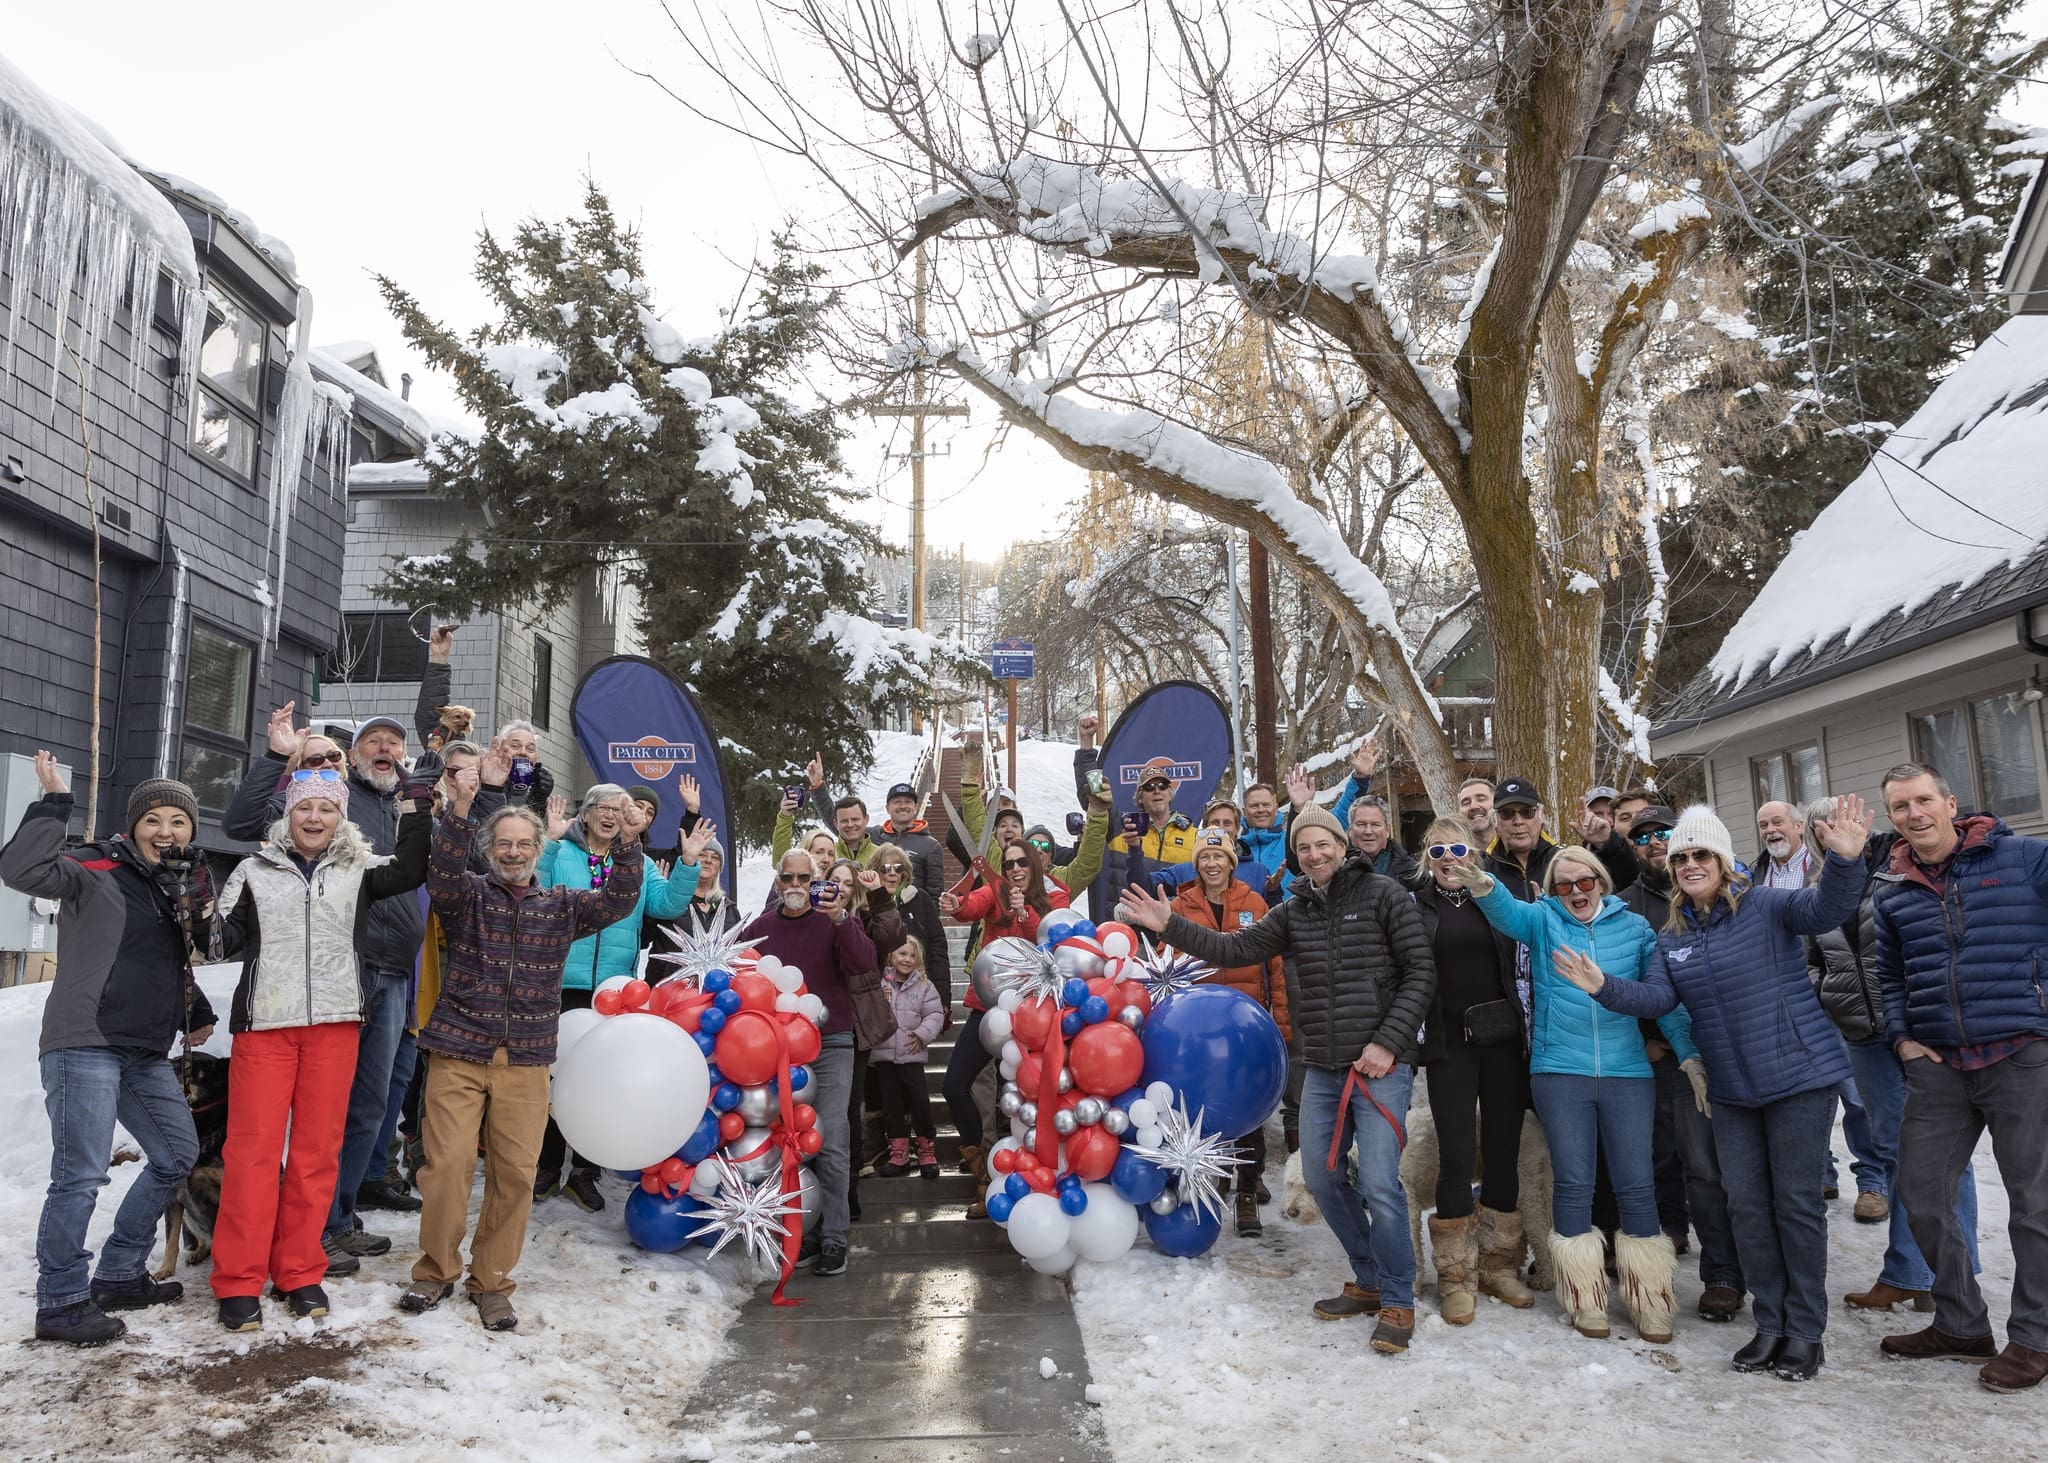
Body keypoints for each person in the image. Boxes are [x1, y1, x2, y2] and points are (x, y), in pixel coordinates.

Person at [1559, 799, 1873, 1382]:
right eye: (1681, 858)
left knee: (1796, 1206)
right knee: (1747, 1206)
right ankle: (1771, 1324)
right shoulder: (1673, 935)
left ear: (1724, 860)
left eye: (1702, 854)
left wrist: (1846, 861)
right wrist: (1603, 985)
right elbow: (1657, 1000)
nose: (1690, 864)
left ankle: (1805, 1331)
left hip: (1798, 1078)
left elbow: (1828, 904)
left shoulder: (1768, 907)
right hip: (1729, 1090)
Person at [1122, 803, 1435, 1356]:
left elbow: (1421, 972)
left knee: (1383, 1184)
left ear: (1342, 845)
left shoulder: (1385, 895)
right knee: (1321, 1176)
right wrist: (1168, 924)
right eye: (1305, 847)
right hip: (1325, 1065)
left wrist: (1388, 1043)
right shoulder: (1295, 911)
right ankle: (1366, 1277)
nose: (1315, 854)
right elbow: (1237, 948)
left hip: (1381, 1064)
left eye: (1324, 844)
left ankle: (1397, 1296)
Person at [400, 770, 642, 1332]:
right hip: (459, 1050)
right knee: (449, 1167)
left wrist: (629, 843)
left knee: (514, 1174)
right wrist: (460, 809)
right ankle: (435, 1271)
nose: (514, 852)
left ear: (540, 851)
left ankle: (492, 1282)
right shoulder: (467, 899)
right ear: (489, 851)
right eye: (503, 843)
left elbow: (620, 901)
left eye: (524, 844)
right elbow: (440, 875)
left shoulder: (562, 904)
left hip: (528, 1058)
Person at [1442, 844, 1697, 1345]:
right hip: (1560, 1071)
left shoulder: (1637, 930)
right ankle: (1585, 1297)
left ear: (1601, 881)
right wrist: (1485, 886)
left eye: (1585, 882)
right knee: (1575, 1183)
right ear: (1553, 890)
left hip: (1627, 1073)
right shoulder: (1543, 921)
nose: (1576, 892)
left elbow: (1664, 1002)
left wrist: (1687, 1054)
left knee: (1636, 1183)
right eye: (1564, 885)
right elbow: (1507, 912)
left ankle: (1650, 1299)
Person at [206, 766, 431, 1331]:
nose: (314, 818)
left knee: (316, 1153)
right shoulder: (253, 871)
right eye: (304, 808)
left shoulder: (359, 870)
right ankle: (238, 1280)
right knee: (252, 1155)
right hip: (265, 1025)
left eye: (326, 809)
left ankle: (300, 1270)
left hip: (334, 1025)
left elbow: (412, 868)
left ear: (340, 818)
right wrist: (193, 895)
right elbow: (217, 944)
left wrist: (419, 804)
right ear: (289, 814)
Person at [2, 759, 214, 1345]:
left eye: (178, 820)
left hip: (144, 1051)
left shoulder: (177, 884)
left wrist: (192, 1010)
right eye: (153, 818)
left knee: (175, 1154)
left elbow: (162, 961)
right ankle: (61, 1301)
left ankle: (120, 1272)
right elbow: (21, 869)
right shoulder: (93, 867)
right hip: (84, 1043)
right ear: (134, 825)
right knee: (80, 1176)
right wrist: (53, 804)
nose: (165, 830)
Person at [1869, 763, 2048, 1394]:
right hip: (1939, 1065)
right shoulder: (1891, 887)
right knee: (1919, 1193)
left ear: (1950, 802)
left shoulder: (2025, 858)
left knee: (2034, 1204)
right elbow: (1888, 975)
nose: (1914, 815)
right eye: (1899, 807)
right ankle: (1962, 1322)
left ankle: (2035, 1336)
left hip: (2022, 1055)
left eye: (1923, 801)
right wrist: (1902, 1036)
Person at [1801, 799, 1983, 1316]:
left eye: (1837, 823)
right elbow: (1814, 960)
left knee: (1942, 1152)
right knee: (1894, 1149)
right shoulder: (1823, 895)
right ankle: (1913, 1271)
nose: (1829, 833)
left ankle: (1948, 1274)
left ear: (1863, 826)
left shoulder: (1899, 875)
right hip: (1862, 1037)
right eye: (1821, 828)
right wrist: (1831, 993)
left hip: (1920, 1032)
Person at [534, 786, 712, 1209]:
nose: (611, 815)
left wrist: (687, 865)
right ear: (588, 812)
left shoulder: (641, 863)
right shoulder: (561, 853)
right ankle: (545, 1165)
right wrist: (550, 842)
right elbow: (533, 890)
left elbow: (667, 906)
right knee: (552, 1078)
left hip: (613, 991)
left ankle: (584, 1172)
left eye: (620, 809)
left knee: (596, 1079)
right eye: (603, 808)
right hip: (559, 981)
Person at [1618, 804, 1747, 1323]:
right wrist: (1652, 1038)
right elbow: (1633, 981)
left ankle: (1742, 1270)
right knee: (1676, 1163)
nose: (1654, 841)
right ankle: (1696, 1257)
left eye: (1664, 834)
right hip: (1662, 1056)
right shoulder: (1624, 906)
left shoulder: (1728, 903)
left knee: (1726, 1171)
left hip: (1727, 1053)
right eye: (1643, 835)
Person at [1410, 817, 1533, 1325]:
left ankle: (1499, 1266)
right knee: (1457, 1156)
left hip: (1502, 1041)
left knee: (1504, 1151)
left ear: (1475, 853)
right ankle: (1457, 1275)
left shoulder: (1499, 897)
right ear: (1426, 857)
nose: (1447, 859)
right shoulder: (1416, 904)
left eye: (1457, 848)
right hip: (1448, 1046)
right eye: (1437, 851)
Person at [739, 850, 878, 1279]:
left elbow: (866, 963)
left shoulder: (833, 921)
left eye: (805, 877)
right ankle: (802, 1232)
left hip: (831, 1041)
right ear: (778, 883)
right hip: (777, 1047)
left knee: (833, 1139)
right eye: (788, 877)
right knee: (789, 1142)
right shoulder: (760, 928)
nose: (796, 885)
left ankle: (834, 1236)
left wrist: (841, 919)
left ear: (817, 881)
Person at [1167, 826, 1289, 1237]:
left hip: (1246, 1030)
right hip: (1197, 1033)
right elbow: (1166, 970)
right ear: (1196, 863)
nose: (1212, 863)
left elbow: (1276, 969)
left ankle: (1248, 1194)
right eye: (1205, 857)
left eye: (1220, 857)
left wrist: (1283, 1025)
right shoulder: (1180, 906)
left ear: (1232, 862)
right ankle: (1211, 1185)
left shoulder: (1254, 902)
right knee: (1203, 1114)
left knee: (1250, 1117)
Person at [1484, 776, 1637, 901]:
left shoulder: (1566, 860)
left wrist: (1608, 844)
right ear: (1496, 822)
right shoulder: (1482, 870)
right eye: (1507, 814)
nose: (1518, 821)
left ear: (1540, 817)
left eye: (1527, 812)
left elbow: (1627, 884)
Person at [870, 937, 944, 1179]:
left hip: (912, 1055)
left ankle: (926, 1150)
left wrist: (922, 1034)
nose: (907, 959)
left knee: (920, 1102)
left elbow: (934, 1013)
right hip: (884, 1055)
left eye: (912, 956)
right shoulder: (881, 985)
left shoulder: (924, 986)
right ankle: (899, 1152)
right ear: (891, 956)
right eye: (902, 954)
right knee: (892, 1105)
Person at [865, 843, 952, 1010]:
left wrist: (942, 997)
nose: (892, 873)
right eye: (885, 868)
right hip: (879, 994)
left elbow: (937, 948)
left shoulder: (921, 899)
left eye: (898, 868)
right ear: (875, 871)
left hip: (917, 993)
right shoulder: (865, 903)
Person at [878, 783, 946, 906]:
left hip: (913, 915)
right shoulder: (873, 836)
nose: (903, 806)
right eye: (897, 802)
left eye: (908, 802)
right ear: (887, 808)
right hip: (878, 913)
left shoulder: (931, 846)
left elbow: (935, 892)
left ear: (916, 807)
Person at [1345, 796, 1418, 882]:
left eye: (1375, 825)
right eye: (1361, 824)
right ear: (1350, 831)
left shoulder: (1413, 873)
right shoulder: (1335, 868)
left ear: (1387, 831)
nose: (1368, 831)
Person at [1239, 781, 1291, 899]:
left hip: (1288, 915)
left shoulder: (1292, 841)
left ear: (1276, 808)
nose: (1261, 809)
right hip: (1247, 916)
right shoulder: (1236, 848)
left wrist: (1300, 807)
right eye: (1254, 805)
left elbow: (1328, 830)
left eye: (1266, 804)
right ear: (1244, 812)